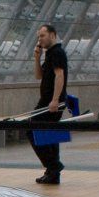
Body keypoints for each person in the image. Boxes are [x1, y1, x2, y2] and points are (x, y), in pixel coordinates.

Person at [29, 24, 67, 185]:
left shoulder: (57, 52)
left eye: (43, 35)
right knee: (51, 135)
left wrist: (55, 100)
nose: (40, 39)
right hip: (47, 100)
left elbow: (60, 75)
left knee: (31, 129)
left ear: (53, 35)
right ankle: (52, 173)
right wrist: (37, 58)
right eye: (39, 36)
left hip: (51, 101)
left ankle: (54, 166)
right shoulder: (50, 53)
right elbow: (39, 76)